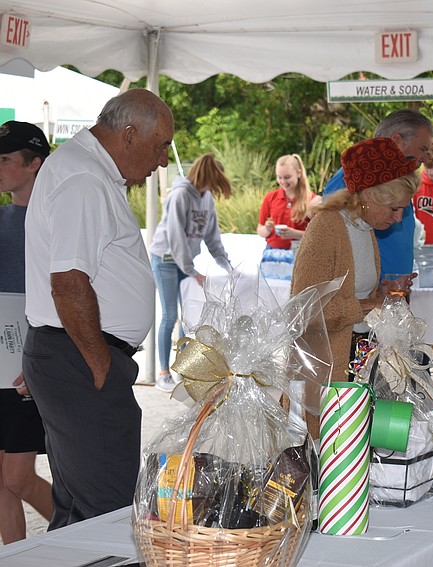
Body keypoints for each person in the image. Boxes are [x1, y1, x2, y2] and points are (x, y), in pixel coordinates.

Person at [23, 88, 173, 530]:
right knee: (106, 515)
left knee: (79, 512)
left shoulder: (87, 171)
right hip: (83, 356)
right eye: (161, 145)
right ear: (128, 135)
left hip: (71, 351)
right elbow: (68, 282)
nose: (163, 160)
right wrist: (96, 364)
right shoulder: (85, 178)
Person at [292, 137, 420, 387]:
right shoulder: (326, 227)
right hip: (326, 367)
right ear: (369, 194)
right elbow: (304, 310)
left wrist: (384, 290)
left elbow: (351, 290)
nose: (398, 218)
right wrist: (372, 303)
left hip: (355, 358)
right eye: (394, 208)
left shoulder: (364, 225)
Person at [0, 121, 53, 543]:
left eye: (5, 159)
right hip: (2, 362)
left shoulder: (55, 221)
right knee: (1, 484)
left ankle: (81, 538)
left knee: (17, 479)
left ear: (35, 164)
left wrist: (40, 361)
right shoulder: (3, 218)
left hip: (28, 367)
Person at [149, 153, 232, 392]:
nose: (211, 190)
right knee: (170, 315)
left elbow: (212, 237)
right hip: (165, 259)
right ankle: (163, 373)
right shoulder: (181, 195)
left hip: (186, 263)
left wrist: (227, 265)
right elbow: (175, 237)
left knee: (189, 318)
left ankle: (183, 371)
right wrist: (191, 271)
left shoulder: (207, 199)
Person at [322, 109, 433, 278]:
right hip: (366, 298)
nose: (426, 158)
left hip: (389, 295)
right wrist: (376, 292)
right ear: (397, 141)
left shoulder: (399, 182)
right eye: (422, 149)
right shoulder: (351, 180)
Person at [257, 154, 321, 249]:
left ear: (298, 173)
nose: (283, 181)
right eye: (279, 177)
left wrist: (295, 234)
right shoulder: (270, 197)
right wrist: (267, 229)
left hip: (300, 252)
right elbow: (260, 229)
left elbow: (318, 236)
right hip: (272, 251)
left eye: (287, 177)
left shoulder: (312, 201)